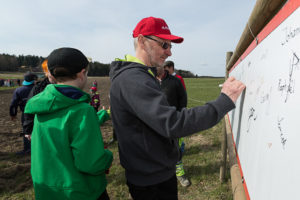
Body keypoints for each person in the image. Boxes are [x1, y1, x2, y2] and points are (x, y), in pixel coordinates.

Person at [109, 16, 245, 200]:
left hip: (153, 171)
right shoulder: (134, 80)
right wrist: (224, 101)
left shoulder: (139, 76)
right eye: (164, 44)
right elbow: (174, 123)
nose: (169, 52)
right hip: (151, 180)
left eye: (170, 46)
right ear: (142, 40)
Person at [24, 47, 113, 200]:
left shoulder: (40, 107)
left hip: (47, 191)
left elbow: (64, 127)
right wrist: (107, 156)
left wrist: (101, 115)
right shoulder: (83, 111)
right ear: (82, 73)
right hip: (81, 192)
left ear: (51, 75)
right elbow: (92, 163)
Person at [157, 66, 190, 187]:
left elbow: (183, 100)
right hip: (156, 125)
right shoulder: (147, 81)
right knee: (158, 150)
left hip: (174, 123)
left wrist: (179, 118)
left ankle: (180, 173)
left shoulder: (175, 81)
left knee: (177, 151)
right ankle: (163, 173)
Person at [9, 72, 37, 155]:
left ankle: (28, 149)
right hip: (38, 113)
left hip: (25, 114)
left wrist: (13, 114)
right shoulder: (38, 88)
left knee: (26, 131)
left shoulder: (19, 90)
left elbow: (13, 104)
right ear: (34, 80)